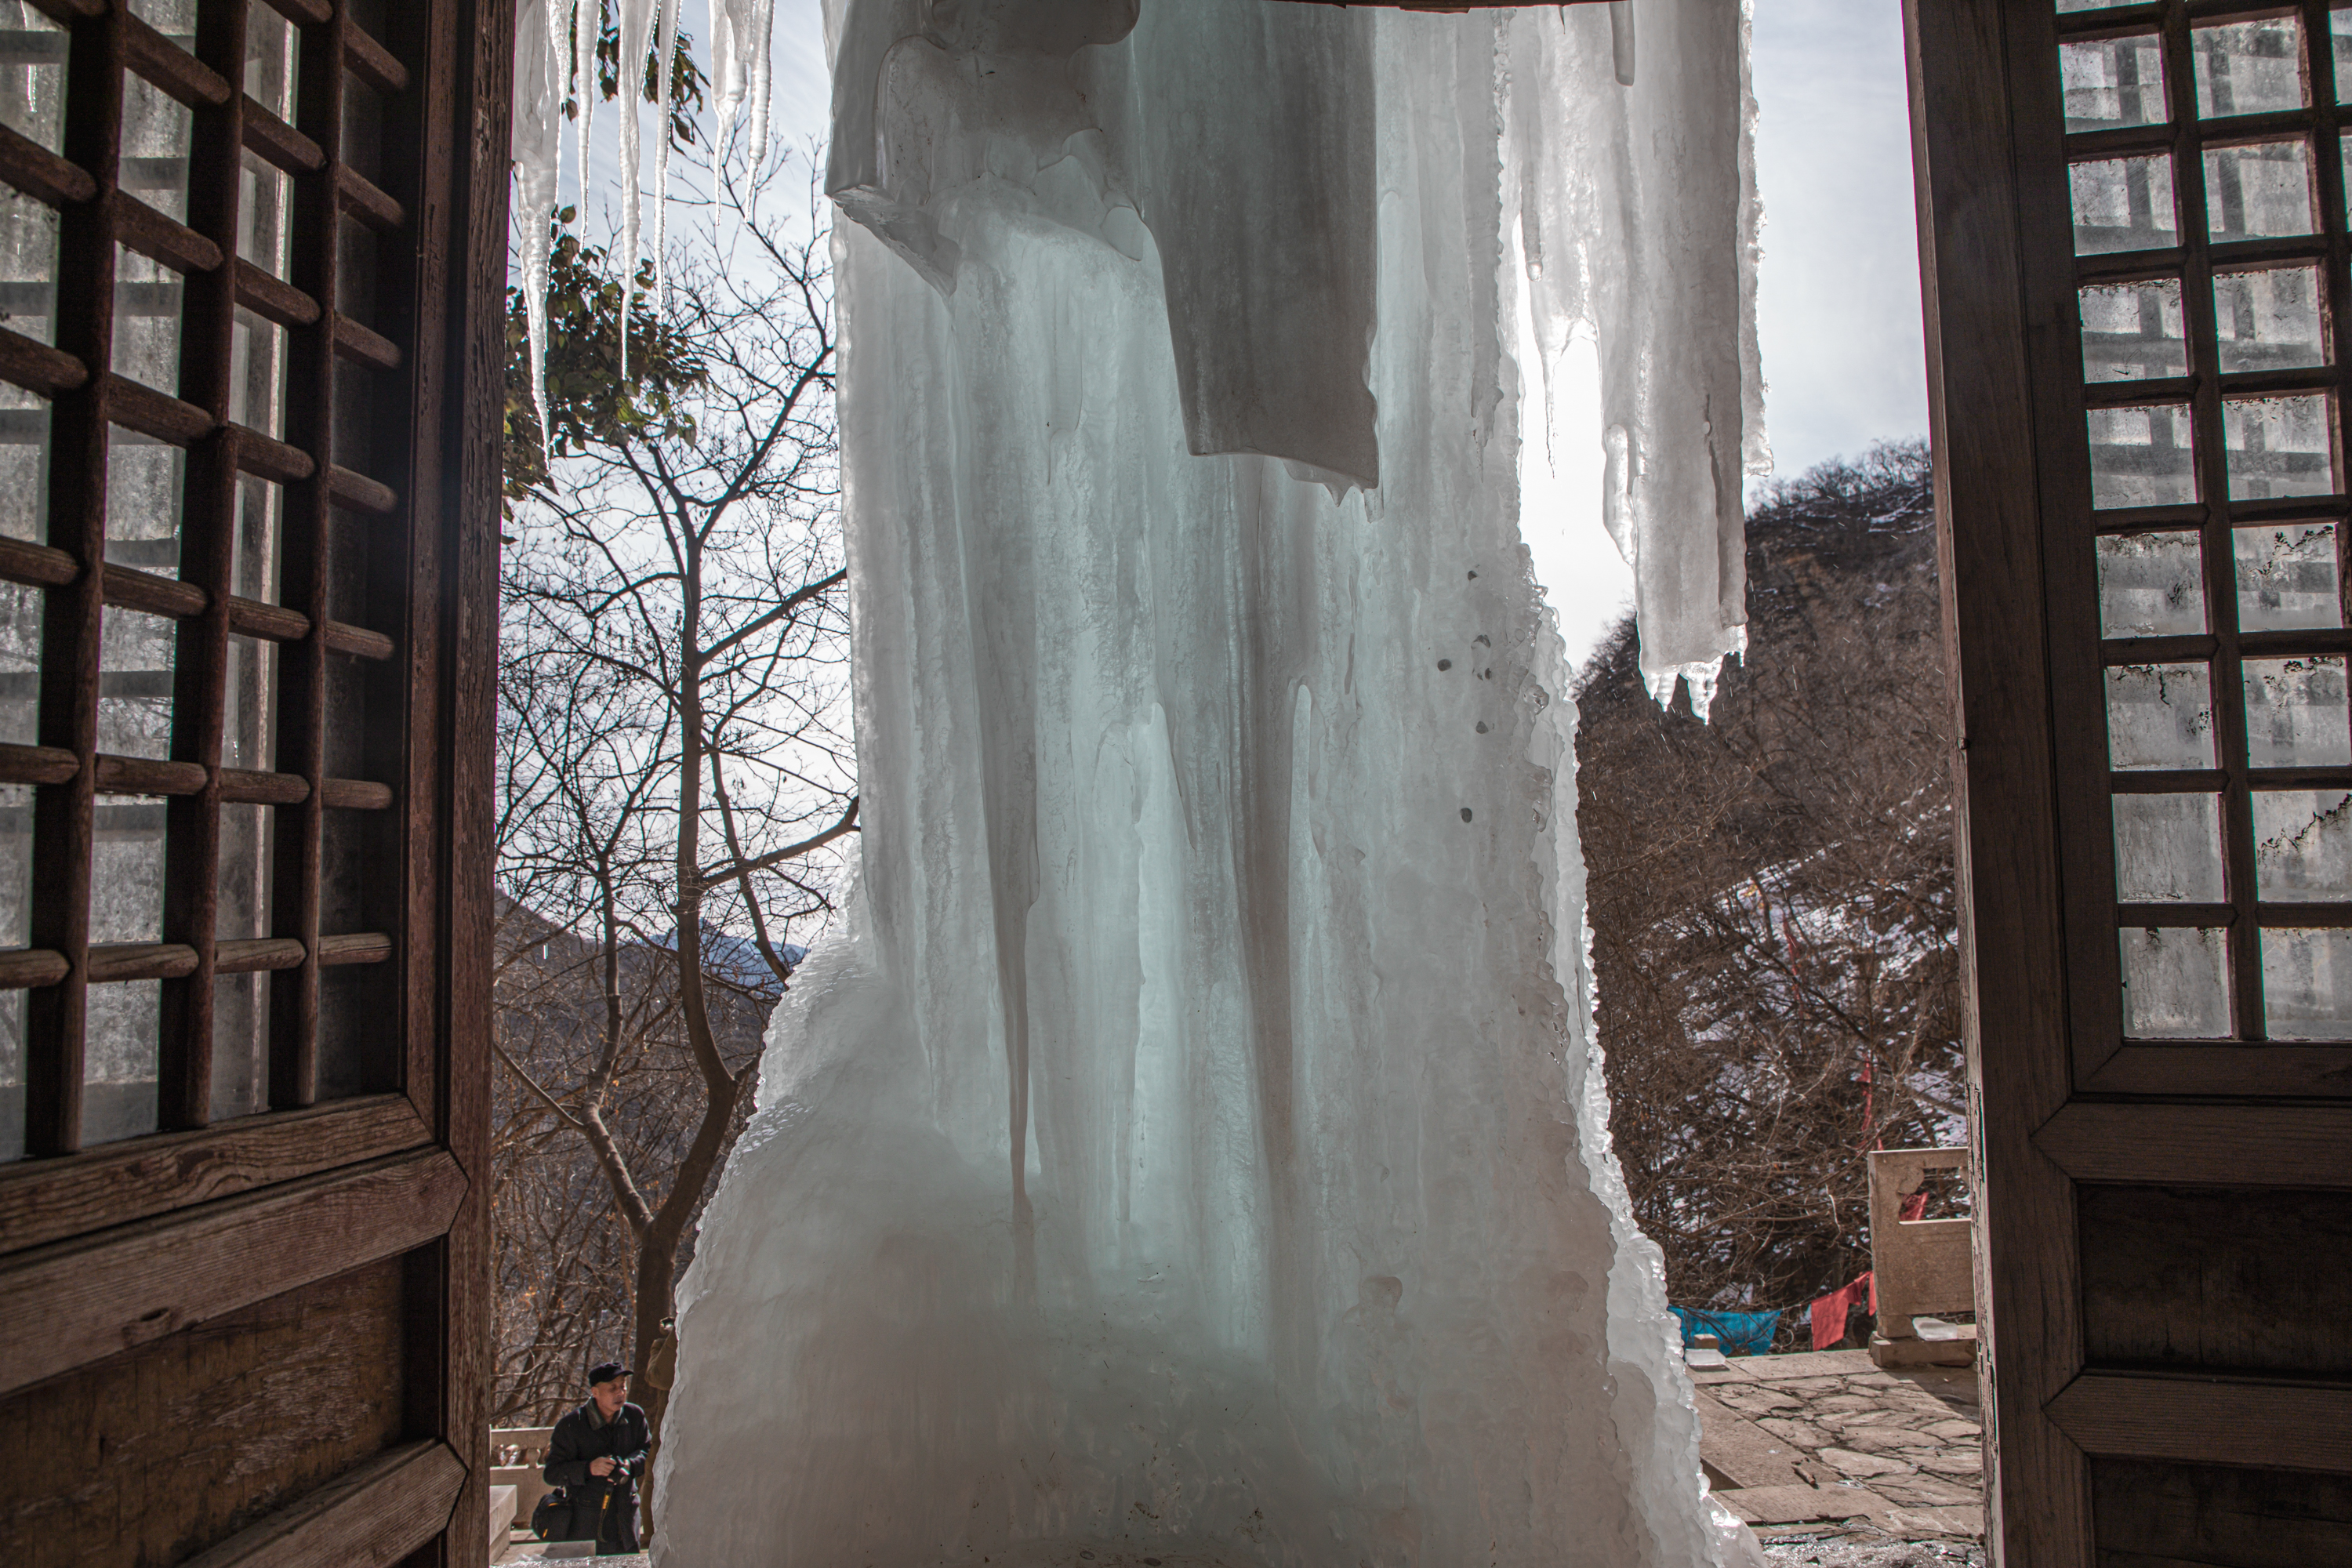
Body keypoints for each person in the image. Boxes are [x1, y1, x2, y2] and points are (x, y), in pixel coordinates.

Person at [542, 1361, 651, 1554]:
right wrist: (588, 1469)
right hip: (587, 1520)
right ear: (595, 1392)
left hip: (626, 1518)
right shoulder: (571, 1426)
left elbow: (648, 1451)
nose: (620, 1393)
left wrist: (629, 1465)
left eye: (623, 1386)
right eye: (612, 1388)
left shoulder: (634, 1416)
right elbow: (552, 1474)